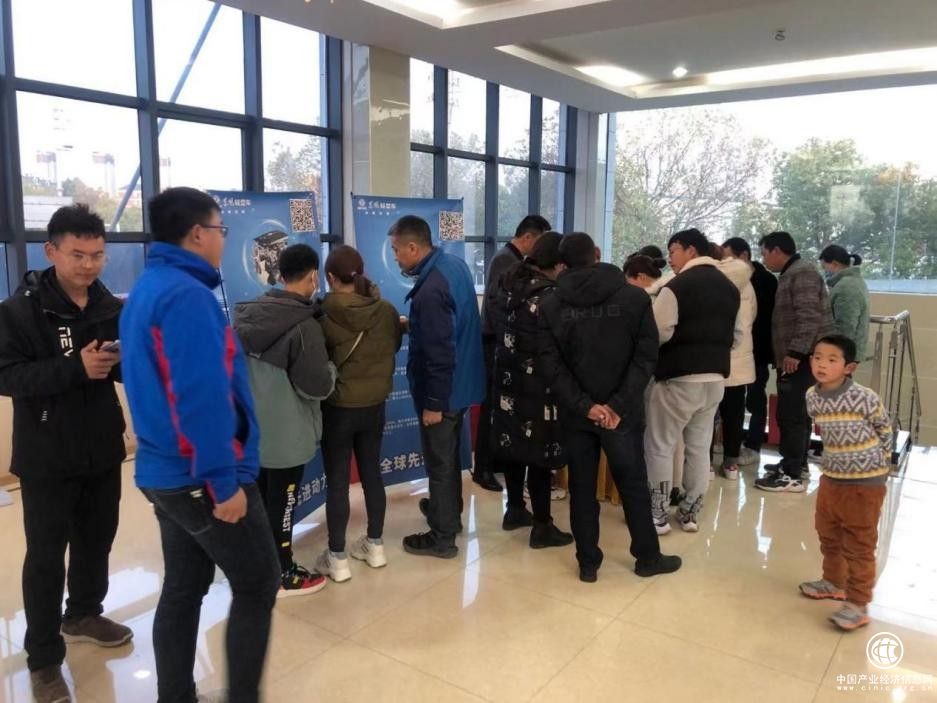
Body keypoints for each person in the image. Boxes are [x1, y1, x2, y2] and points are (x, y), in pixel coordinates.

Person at [121, 187, 280, 703]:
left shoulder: (148, 287)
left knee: (184, 587)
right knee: (258, 583)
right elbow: (201, 397)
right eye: (219, 230)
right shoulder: (187, 297)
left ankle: (175, 695)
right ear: (197, 234)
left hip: (164, 471)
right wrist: (222, 481)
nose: (221, 240)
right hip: (201, 475)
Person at [0, 205, 131, 703]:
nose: (89, 265)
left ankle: (83, 613)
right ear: (51, 251)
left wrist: (123, 363)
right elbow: (7, 376)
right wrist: (75, 367)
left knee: (97, 541)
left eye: (97, 254)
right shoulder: (20, 311)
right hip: (47, 455)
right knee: (46, 558)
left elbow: (119, 371)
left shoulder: (108, 305)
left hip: (102, 447)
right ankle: (43, 659)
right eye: (78, 254)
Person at [539, 232, 681, 583]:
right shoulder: (634, 298)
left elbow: (550, 365)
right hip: (623, 412)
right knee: (632, 484)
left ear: (562, 264)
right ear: (597, 254)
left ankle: (588, 562)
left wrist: (586, 406)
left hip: (577, 413)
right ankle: (647, 557)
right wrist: (617, 404)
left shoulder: (551, 305)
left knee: (582, 488)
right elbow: (646, 357)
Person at [233, 244, 335, 595]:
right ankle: (282, 573)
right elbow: (317, 386)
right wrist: (332, 370)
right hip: (287, 436)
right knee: (284, 504)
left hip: (252, 432)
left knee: (262, 501)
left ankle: (260, 564)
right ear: (313, 277)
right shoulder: (305, 326)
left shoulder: (246, 316)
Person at [388, 215, 485, 558]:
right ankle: (448, 513)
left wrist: (433, 403)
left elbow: (440, 353)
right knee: (449, 457)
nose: (396, 257)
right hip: (461, 384)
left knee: (440, 463)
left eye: (397, 250)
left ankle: (442, 537)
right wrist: (414, 324)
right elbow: (450, 327)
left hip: (444, 391)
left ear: (414, 247)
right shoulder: (452, 266)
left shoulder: (430, 290)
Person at [644, 228, 740, 534]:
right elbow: (737, 337)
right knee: (699, 448)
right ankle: (689, 513)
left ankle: (658, 514)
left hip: (678, 378)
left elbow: (658, 332)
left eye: (673, 251)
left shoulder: (676, 286)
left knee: (660, 445)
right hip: (715, 381)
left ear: (691, 251)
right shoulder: (730, 288)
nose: (669, 258)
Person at [316, 245, 402, 580]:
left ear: (330, 277)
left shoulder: (322, 315)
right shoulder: (387, 311)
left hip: (338, 408)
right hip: (375, 405)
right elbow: (393, 345)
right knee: (372, 474)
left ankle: (337, 558)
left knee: (338, 482)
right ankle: (375, 545)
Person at [799, 335, 891, 631]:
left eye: (831, 359)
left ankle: (857, 603)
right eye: (817, 357)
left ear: (848, 367)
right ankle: (833, 582)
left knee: (859, 543)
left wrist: (880, 463)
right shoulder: (812, 396)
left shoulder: (864, 396)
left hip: (866, 482)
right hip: (832, 476)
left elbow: (884, 428)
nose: (822, 364)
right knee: (828, 532)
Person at [490, 231, 573, 547]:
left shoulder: (509, 283)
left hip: (508, 379)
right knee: (540, 453)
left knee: (514, 445)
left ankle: (514, 509)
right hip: (539, 385)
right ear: (559, 264)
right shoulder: (551, 296)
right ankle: (542, 526)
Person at [475, 215, 551, 492]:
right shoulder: (506, 261)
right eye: (540, 242)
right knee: (494, 407)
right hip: (496, 343)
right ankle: (483, 468)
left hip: (504, 342)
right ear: (528, 237)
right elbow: (498, 308)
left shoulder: (512, 259)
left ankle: (495, 462)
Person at [755, 231, 834, 493]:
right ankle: (796, 463)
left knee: (791, 415)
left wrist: (796, 353)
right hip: (796, 356)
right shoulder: (793, 272)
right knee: (795, 413)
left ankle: (791, 474)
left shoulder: (802, 273)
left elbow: (809, 317)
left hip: (800, 358)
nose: (764, 259)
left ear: (777, 250)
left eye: (765, 253)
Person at [723, 237, 777, 467]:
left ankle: (753, 445)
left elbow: (758, 319)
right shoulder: (727, 279)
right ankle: (732, 449)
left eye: (728, 257)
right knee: (732, 404)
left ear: (743, 255)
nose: (725, 262)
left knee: (755, 400)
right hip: (735, 353)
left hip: (758, 351)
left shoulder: (765, 280)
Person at [714, 251, 757, 479]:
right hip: (738, 361)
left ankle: (706, 463)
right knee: (734, 414)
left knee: (706, 415)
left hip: (712, 358)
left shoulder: (711, 281)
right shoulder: (746, 283)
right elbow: (749, 319)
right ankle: (731, 462)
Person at [819, 245, 870, 361]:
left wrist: (833, 355)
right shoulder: (855, 281)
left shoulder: (846, 287)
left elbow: (845, 327)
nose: (824, 272)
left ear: (834, 264)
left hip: (843, 352)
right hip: (847, 351)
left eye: (824, 267)